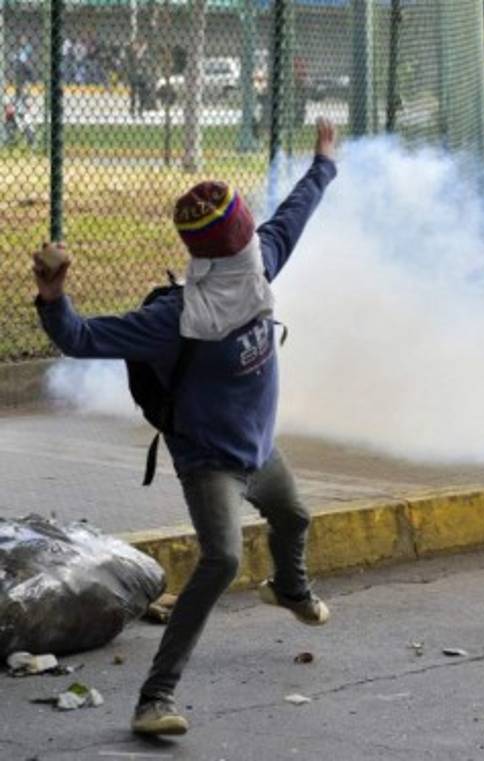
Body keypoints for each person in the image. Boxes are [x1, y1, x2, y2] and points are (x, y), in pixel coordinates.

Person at [31, 119, 340, 738]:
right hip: (210, 462)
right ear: (231, 243)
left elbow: (296, 212)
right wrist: (53, 295)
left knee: (294, 516)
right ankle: (155, 698)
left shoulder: (257, 267)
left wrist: (324, 163)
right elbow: (81, 338)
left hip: (258, 447)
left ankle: (290, 589)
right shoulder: (174, 318)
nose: (256, 247)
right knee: (221, 559)